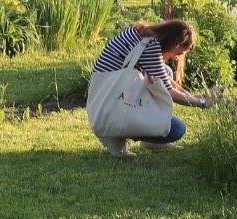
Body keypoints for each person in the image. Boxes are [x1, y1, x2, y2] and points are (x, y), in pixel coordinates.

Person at [91, 20, 212, 156]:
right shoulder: (150, 46)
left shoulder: (142, 35)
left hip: (109, 91)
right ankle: (116, 136)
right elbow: (168, 91)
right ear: (174, 43)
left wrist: (197, 97)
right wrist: (202, 103)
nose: (177, 57)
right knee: (177, 129)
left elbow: (165, 80)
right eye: (179, 52)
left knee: (166, 71)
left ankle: (146, 141)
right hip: (115, 100)